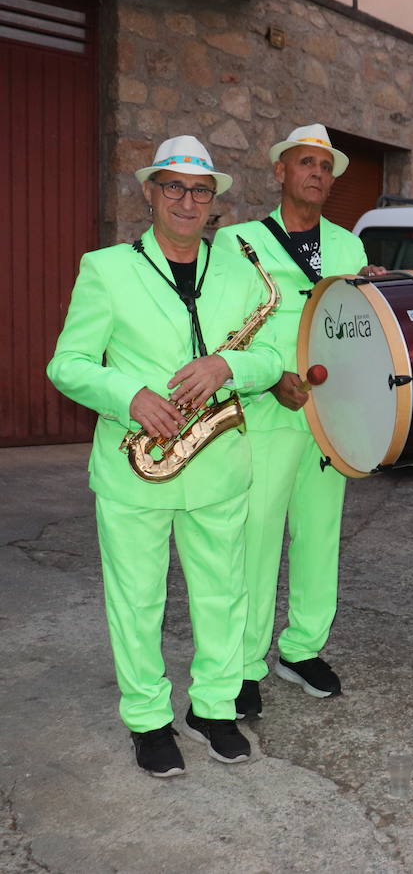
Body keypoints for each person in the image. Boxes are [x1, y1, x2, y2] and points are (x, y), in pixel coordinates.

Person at [46, 136, 282, 775]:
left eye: (200, 190)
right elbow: (66, 364)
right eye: (173, 187)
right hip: (135, 466)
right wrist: (130, 395)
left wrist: (226, 364)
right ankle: (149, 720)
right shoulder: (106, 268)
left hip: (218, 465)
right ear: (149, 193)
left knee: (224, 594)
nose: (186, 200)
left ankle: (213, 706)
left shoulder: (236, 267)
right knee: (137, 601)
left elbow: (272, 359)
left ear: (214, 204)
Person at [211, 123, 371, 719]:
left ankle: (301, 648)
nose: (317, 175)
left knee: (319, 533)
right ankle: (247, 661)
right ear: (280, 171)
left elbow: (359, 331)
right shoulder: (234, 241)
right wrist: (269, 375)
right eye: (307, 163)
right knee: (256, 537)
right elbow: (223, 324)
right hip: (264, 407)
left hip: (328, 415)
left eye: (325, 168)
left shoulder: (349, 248)